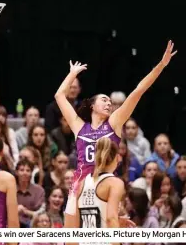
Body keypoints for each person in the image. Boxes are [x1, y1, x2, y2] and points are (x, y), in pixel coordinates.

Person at [54, 40, 177, 227]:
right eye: (104, 100)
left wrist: (161, 66)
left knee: (108, 226)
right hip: (80, 183)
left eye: (110, 101)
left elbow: (138, 91)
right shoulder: (79, 126)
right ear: (92, 105)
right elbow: (59, 96)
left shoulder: (114, 123)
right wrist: (72, 75)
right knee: (72, 236)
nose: (108, 103)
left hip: (105, 181)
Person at [75, 137, 134, 233]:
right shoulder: (115, 183)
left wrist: (117, 223)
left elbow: (76, 222)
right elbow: (111, 218)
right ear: (117, 158)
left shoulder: (82, 182)